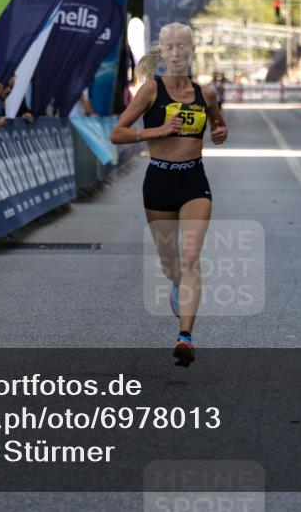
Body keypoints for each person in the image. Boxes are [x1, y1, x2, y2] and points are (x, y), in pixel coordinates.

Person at [109, 22, 228, 367]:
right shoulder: (151, 90)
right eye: (170, 47)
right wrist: (157, 131)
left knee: (190, 257)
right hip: (159, 182)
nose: (176, 53)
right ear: (162, 52)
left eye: (182, 46)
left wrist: (220, 131)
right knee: (171, 264)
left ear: (192, 50)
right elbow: (117, 133)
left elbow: (218, 123)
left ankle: (185, 337)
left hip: (194, 182)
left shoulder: (206, 93)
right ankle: (177, 283)